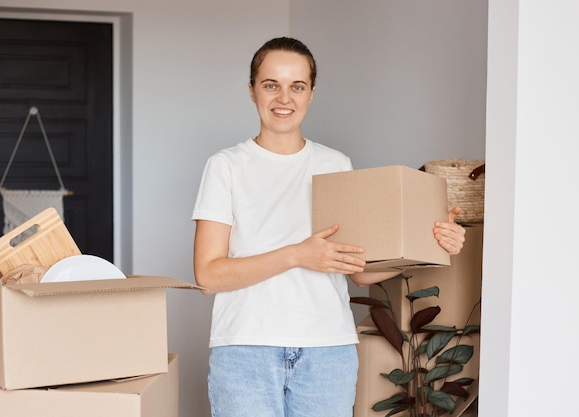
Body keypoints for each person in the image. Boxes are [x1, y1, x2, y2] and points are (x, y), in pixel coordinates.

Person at [192, 36, 466, 417]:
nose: (284, 98)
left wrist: (432, 245)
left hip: (328, 353)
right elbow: (208, 275)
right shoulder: (226, 166)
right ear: (252, 90)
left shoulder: (335, 163)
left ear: (311, 93)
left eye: (297, 86)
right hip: (245, 350)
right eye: (271, 85)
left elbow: (360, 272)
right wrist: (297, 255)